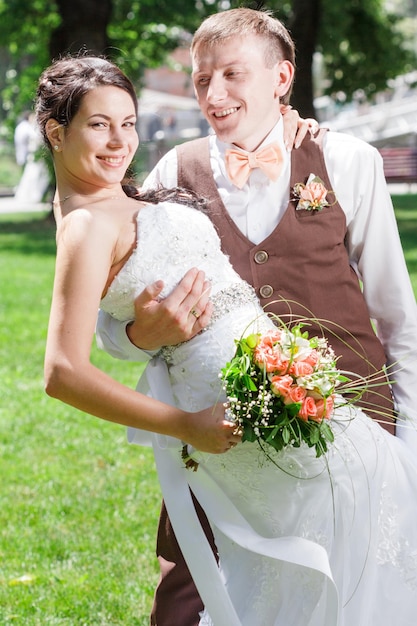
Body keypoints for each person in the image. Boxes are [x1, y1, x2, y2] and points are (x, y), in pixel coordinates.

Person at [39, 50, 417, 626]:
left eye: (128, 123)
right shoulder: (88, 223)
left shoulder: (116, 196)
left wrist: (287, 123)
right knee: (345, 547)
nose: (119, 142)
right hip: (227, 418)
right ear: (55, 132)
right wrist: (182, 418)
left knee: (349, 543)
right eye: (98, 124)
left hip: (289, 394)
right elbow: (62, 372)